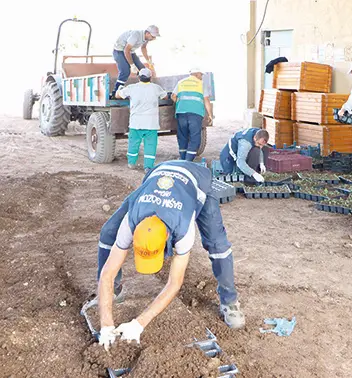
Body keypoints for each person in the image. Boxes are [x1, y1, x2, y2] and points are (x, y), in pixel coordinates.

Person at [87, 160, 245, 350]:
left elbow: (174, 283)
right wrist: (106, 325)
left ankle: (230, 302)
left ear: (167, 241)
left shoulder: (183, 229)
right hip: (157, 176)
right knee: (108, 233)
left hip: (197, 180)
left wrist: (140, 323)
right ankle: (112, 293)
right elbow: (107, 274)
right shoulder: (130, 223)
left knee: (217, 245)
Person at [116, 68, 168, 173]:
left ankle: (131, 163)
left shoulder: (131, 88)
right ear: (150, 77)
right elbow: (166, 97)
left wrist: (118, 90)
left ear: (138, 77)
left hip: (136, 123)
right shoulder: (156, 88)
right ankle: (148, 167)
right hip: (151, 124)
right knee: (150, 145)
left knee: (133, 143)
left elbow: (118, 96)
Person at [171, 68, 213, 161]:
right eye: (201, 75)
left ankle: (182, 159)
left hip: (181, 113)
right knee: (195, 137)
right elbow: (206, 100)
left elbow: (173, 96)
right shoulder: (201, 84)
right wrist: (210, 115)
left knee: (182, 136)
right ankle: (188, 160)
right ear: (197, 74)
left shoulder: (181, 82)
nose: (201, 77)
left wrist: (180, 103)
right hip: (195, 113)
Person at [111, 26, 160, 98]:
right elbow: (126, 50)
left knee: (143, 70)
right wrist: (132, 65)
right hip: (119, 51)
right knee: (125, 71)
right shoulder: (136, 35)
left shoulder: (146, 38)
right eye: (153, 36)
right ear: (147, 33)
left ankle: (146, 92)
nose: (154, 38)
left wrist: (148, 60)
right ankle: (115, 93)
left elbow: (143, 48)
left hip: (130, 51)